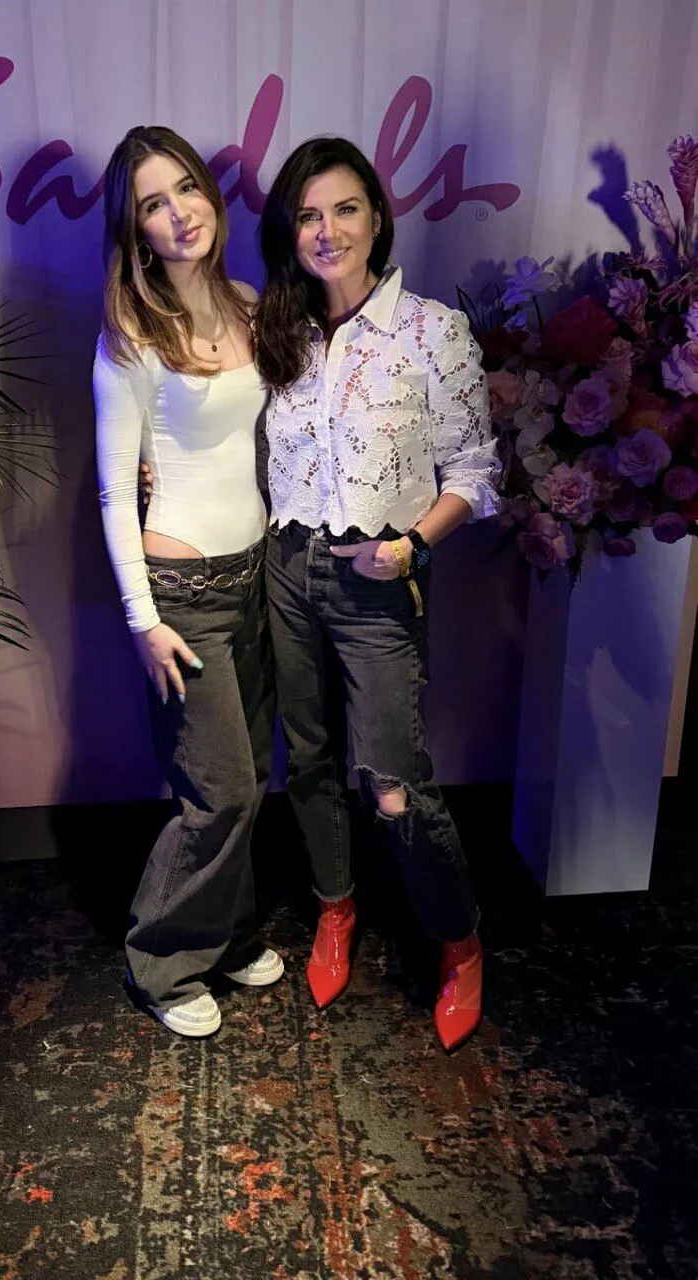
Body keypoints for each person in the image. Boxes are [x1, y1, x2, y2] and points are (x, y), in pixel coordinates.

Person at [253, 137, 501, 1051]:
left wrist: (410, 547)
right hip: (285, 568)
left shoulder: (432, 331)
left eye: (344, 209)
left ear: (376, 217)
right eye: (308, 216)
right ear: (290, 232)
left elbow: (476, 471)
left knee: (393, 785)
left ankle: (459, 941)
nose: (328, 231)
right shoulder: (276, 332)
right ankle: (335, 908)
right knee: (309, 761)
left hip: (377, 576)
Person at [93, 125, 281, 1038]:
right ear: (134, 231)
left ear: (210, 194)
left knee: (253, 774)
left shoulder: (249, 305)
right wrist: (142, 620)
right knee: (222, 790)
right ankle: (162, 961)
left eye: (186, 190)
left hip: (257, 579)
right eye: (152, 205)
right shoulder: (129, 338)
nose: (177, 214)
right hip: (182, 595)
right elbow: (110, 489)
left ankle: (227, 931)